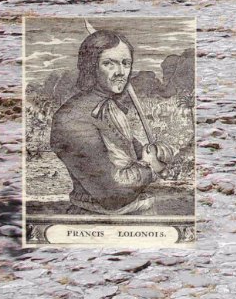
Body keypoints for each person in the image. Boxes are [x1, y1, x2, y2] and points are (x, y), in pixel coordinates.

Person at [48, 28, 168, 214]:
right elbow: (113, 194)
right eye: (109, 64)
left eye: (125, 63)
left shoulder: (110, 107)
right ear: (90, 67)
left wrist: (158, 153)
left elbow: (135, 155)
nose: (121, 72)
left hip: (136, 215)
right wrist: (150, 166)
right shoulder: (71, 119)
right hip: (95, 221)